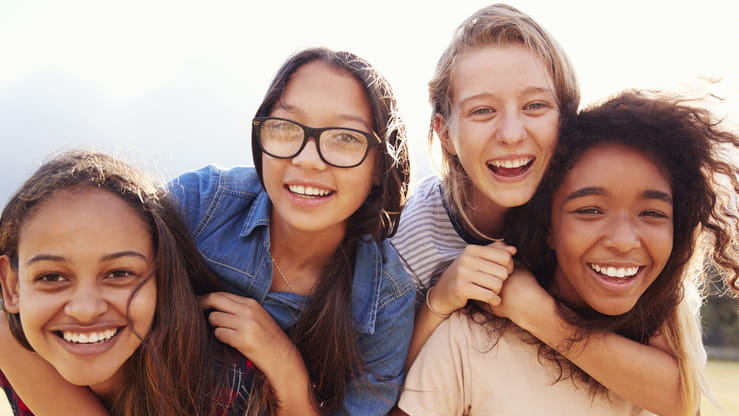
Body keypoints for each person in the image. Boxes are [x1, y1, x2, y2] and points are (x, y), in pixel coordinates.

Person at [391, 4, 700, 415]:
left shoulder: (603, 220)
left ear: (567, 119)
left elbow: (680, 396)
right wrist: (439, 302)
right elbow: (372, 394)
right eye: (483, 110)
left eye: (535, 106)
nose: (512, 134)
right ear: (444, 132)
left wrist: (534, 310)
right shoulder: (408, 239)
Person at [170, 47, 414, 415]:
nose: (307, 159)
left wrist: (287, 372)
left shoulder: (385, 302)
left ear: (381, 164)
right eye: (285, 127)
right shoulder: (200, 205)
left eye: (345, 138)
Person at [0, 150, 252, 416]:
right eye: (51, 277)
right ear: (11, 286)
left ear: (163, 278)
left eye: (119, 274)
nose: (85, 310)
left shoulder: (228, 389)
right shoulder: (16, 358)